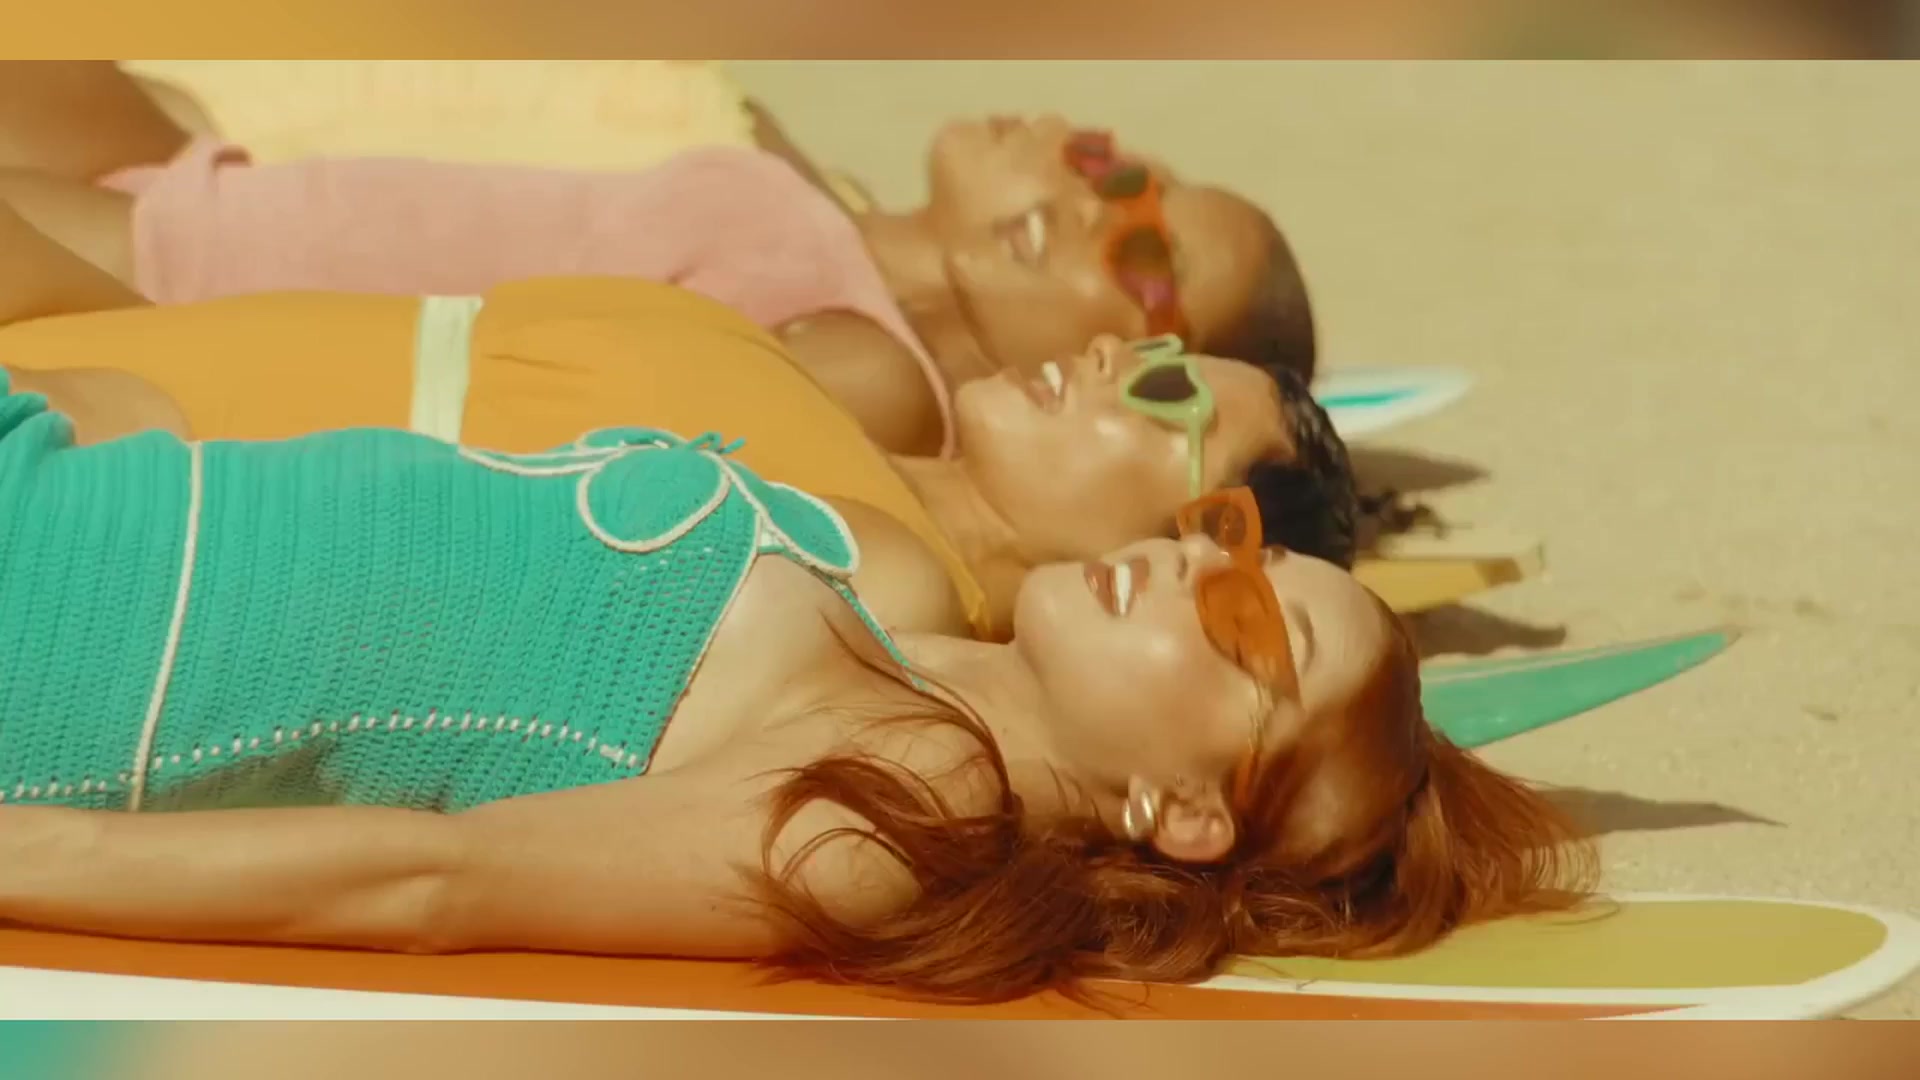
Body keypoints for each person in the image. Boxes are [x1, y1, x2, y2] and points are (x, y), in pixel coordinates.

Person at [0, 369, 1589, 1002]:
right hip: (51, 488)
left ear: (1183, 813)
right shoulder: (889, 618)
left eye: (1247, 625)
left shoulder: (903, 807)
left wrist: (31, 858)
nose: (1192, 562)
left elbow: (436, 881)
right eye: (1226, 538)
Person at [0, 200, 1357, 640]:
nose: (1119, 354)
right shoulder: (825, 413)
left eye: (1169, 393)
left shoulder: (865, 590)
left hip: (79, 500)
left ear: (1182, 550)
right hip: (61, 368)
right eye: (1151, 346)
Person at [0, 62, 1315, 458]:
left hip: (177, 285)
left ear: (1131, 366)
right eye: (1126, 173)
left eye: (1148, 254)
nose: (1099, 198)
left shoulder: (867, 376)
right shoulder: (820, 219)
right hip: (191, 190)